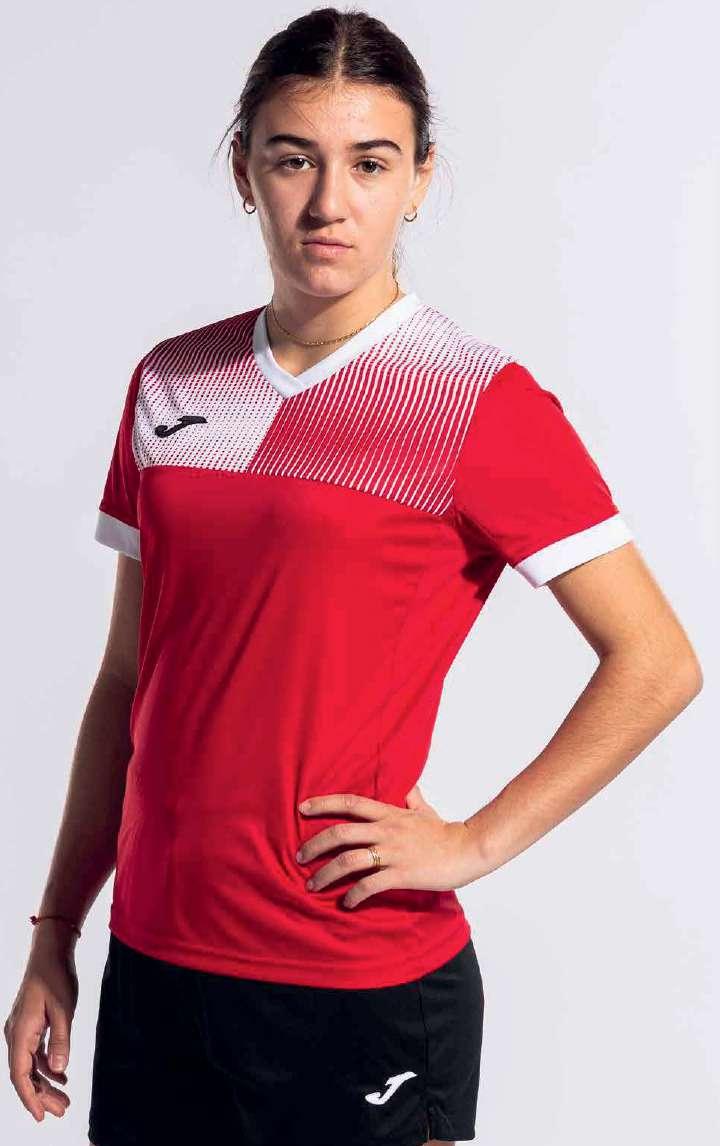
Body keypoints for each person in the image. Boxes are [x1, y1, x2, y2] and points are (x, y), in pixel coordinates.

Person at [4, 7, 703, 1146]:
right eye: (294, 159)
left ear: (420, 179)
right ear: (244, 171)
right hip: (156, 967)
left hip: (354, 978)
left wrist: (473, 841)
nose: (329, 202)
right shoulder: (172, 383)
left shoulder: (474, 399)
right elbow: (129, 681)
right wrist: (55, 934)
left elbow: (658, 662)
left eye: (371, 164)